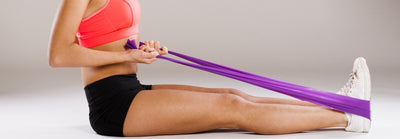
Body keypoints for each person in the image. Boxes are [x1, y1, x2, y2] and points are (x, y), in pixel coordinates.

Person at [48, 0, 371, 137]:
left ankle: (335, 103)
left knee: (234, 94)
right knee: (233, 107)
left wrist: (141, 49)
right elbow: (59, 55)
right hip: (112, 107)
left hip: (130, 88)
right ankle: (345, 118)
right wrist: (126, 58)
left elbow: (109, 38)